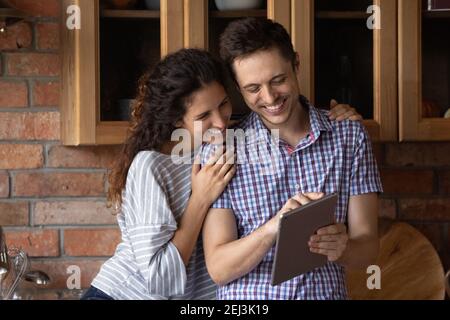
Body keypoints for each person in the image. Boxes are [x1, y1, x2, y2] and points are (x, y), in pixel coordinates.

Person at [81, 48, 362, 300]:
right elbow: (160, 281)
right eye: (204, 116)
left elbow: (280, 111)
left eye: (224, 105)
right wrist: (200, 199)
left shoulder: (229, 143)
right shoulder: (151, 167)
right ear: (178, 120)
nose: (220, 121)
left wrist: (336, 114)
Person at [200, 18, 383, 300]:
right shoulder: (223, 150)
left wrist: (343, 248)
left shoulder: (349, 137)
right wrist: (275, 228)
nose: (270, 97)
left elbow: (368, 248)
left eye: (278, 80)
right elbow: (219, 268)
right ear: (238, 88)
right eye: (253, 89)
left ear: (296, 64)